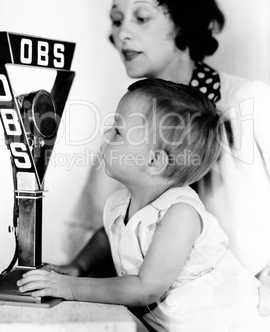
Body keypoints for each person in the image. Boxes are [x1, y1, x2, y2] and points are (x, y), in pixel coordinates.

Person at [57, 0, 270, 285]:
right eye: (117, 19)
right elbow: (87, 229)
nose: (122, 32)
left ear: (184, 21)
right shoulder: (125, 130)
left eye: (141, 18)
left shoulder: (250, 102)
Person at [18, 79, 269, 332]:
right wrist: (78, 267)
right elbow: (109, 235)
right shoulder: (120, 202)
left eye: (118, 130)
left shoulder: (181, 214)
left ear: (154, 161)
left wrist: (70, 287)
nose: (106, 135)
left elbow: (145, 288)